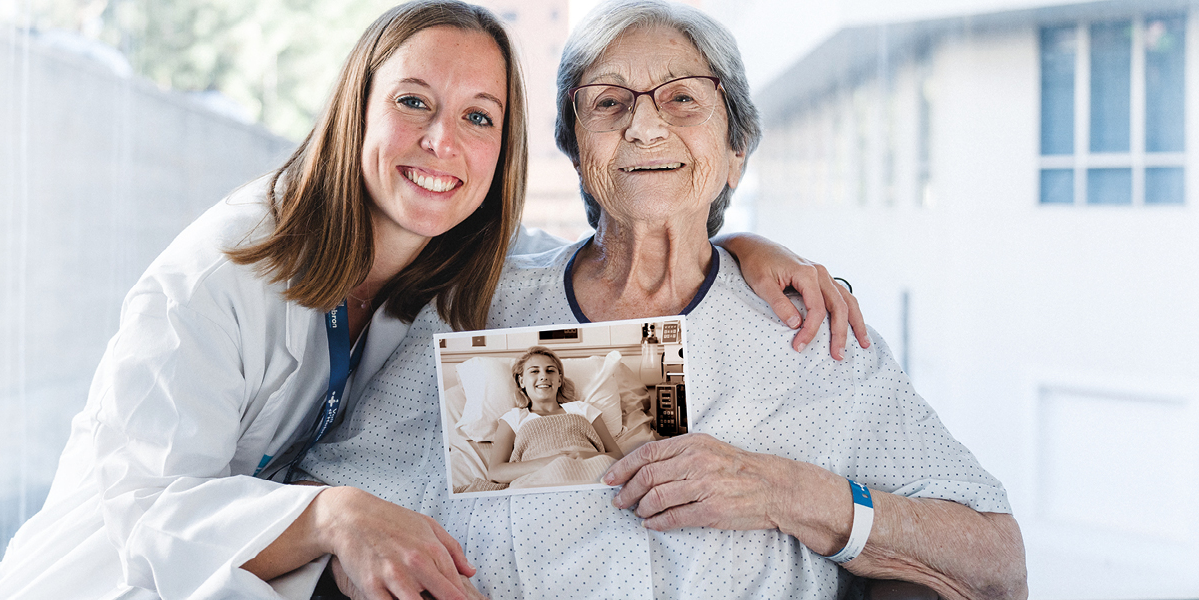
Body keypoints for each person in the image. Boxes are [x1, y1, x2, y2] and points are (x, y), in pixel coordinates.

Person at [0, 1, 866, 599]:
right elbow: (143, 514)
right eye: (414, 102)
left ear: (503, 152)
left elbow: (612, 261)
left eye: (478, 117)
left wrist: (742, 245)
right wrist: (333, 514)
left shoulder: (457, 267)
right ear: (358, 107)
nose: (442, 142)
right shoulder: (215, 278)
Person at [298, 1, 1026, 598]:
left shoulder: (813, 333)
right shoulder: (478, 310)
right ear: (576, 147)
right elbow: (333, 501)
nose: (645, 126)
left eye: (683, 98)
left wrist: (788, 492)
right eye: (609, 102)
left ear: (737, 146)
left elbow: (997, 562)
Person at [483, 347, 623, 488]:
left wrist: (584, 455)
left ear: (560, 380)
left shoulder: (582, 409)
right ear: (522, 381)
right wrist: (556, 461)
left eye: (550, 370)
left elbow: (618, 456)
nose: (544, 376)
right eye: (534, 371)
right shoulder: (513, 418)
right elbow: (496, 472)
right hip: (540, 482)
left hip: (590, 473)